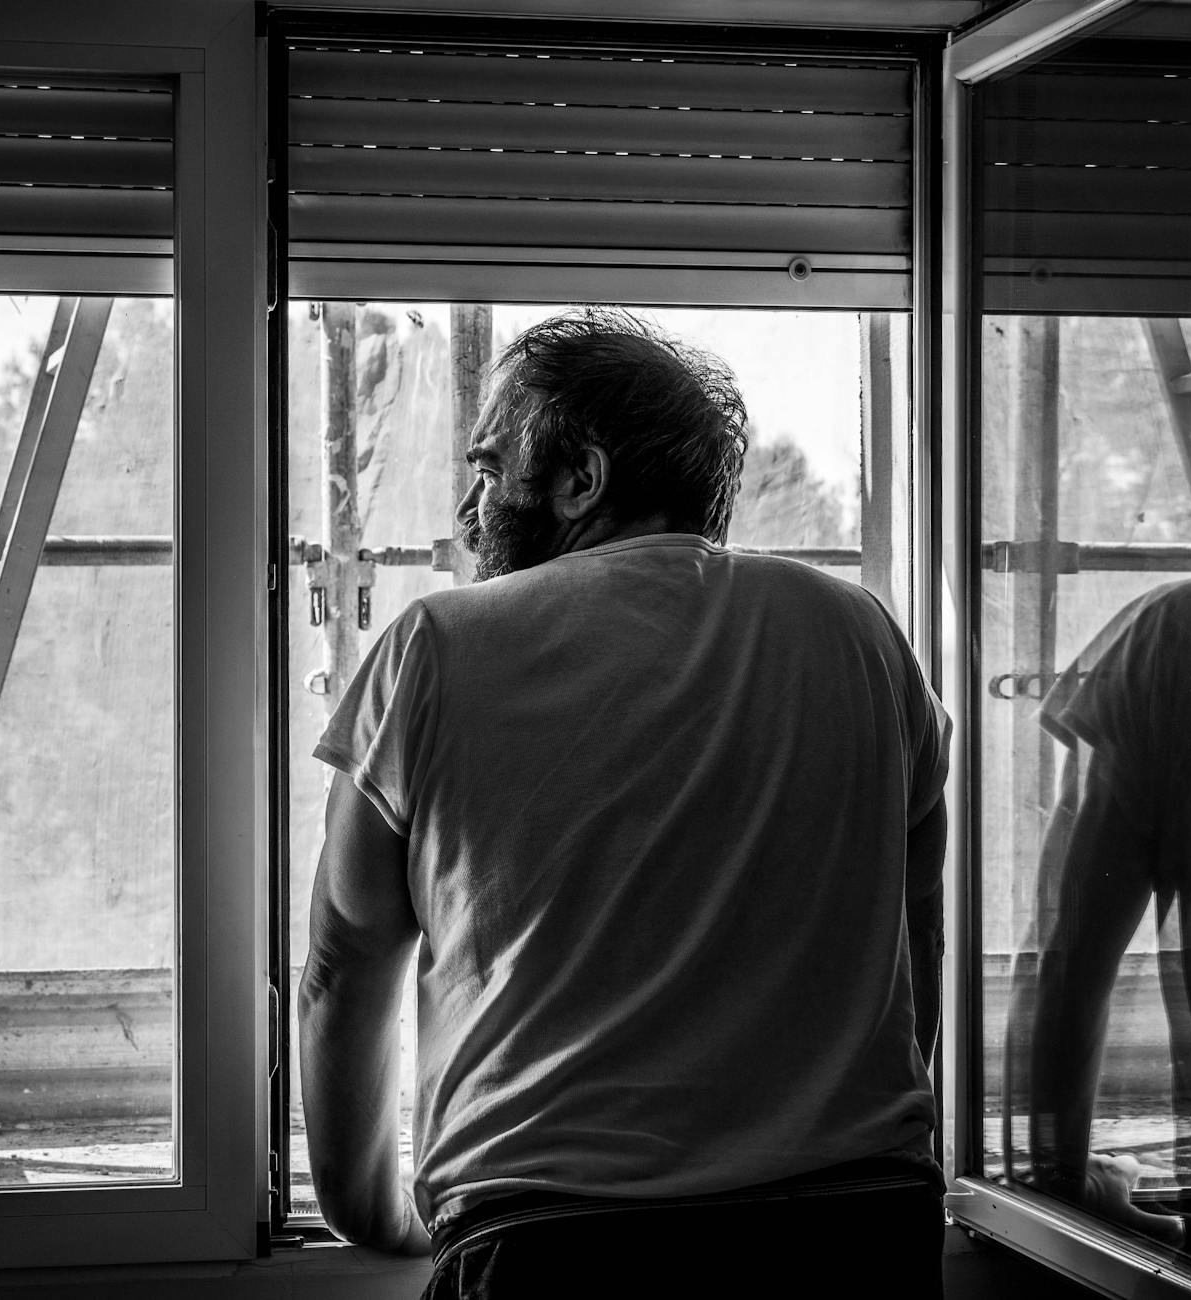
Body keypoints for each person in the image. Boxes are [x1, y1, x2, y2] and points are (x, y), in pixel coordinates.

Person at [297, 309, 951, 1295]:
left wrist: (369, 1211)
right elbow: (918, 938)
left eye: (487, 465)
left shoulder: (433, 647)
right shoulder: (861, 634)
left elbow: (345, 962)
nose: (469, 510)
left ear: (581, 479)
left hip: (559, 1238)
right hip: (855, 1225)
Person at [1014, 575, 1191, 1260]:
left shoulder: (1178, 617)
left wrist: (1060, 1167)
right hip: (1168, 648)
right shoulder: (1183, 617)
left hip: (1161, 649)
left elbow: (1071, 954)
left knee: (1079, 947)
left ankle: (1062, 1177)